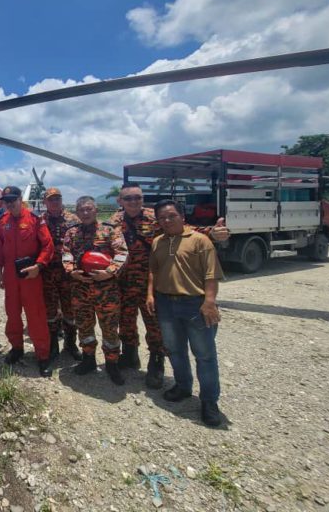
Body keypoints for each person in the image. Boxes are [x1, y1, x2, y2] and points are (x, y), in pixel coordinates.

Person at [108, 183, 230, 389]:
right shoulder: (113, 221)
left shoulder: (155, 217)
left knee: (154, 325)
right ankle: (130, 356)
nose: (134, 202)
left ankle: (157, 363)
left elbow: (183, 228)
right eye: (128, 198)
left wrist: (212, 232)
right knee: (126, 321)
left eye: (138, 197)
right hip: (124, 283)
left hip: (152, 283)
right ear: (120, 201)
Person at [146, 200, 224, 427]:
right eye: (162, 217)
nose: (166, 220)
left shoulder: (200, 240)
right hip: (165, 303)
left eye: (171, 216)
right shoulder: (158, 241)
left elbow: (211, 274)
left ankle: (209, 401)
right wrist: (150, 294)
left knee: (205, 355)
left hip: (194, 304)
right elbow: (153, 270)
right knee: (174, 350)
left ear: (182, 216)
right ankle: (183, 386)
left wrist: (209, 302)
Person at [62, 196, 128, 385]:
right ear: (76, 212)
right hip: (80, 288)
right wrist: (71, 271)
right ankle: (88, 359)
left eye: (89, 209)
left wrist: (109, 272)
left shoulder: (110, 230)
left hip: (106, 290)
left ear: (95, 210)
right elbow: (66, 253)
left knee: (110, 328)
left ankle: (112, 364)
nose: (85, 213)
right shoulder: (72, 232)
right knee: (84, 326)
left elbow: (122, 253)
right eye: (81, 210)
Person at [0, 186, 55, 377]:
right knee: (12, 314)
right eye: (6, 201)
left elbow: (47, 245)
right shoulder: (2, 222)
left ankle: (43, 356)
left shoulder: (35, 220)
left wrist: (39, 266)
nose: (10, 204)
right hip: (10, 276)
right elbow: (1, 249)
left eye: (13, 199)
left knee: (35, 315)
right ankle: (17, 348)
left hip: (30, 276)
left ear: (20, 199)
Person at [39, 187, 81, 361]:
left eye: (57, 198)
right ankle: (53, 345)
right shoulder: (39, 221)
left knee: (70, 309)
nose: (55, 202)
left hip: (68, 273)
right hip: (48, 272)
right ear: (45, 202)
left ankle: (70, 344)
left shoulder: (74, 219)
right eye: (51, 199)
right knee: (50, 310)